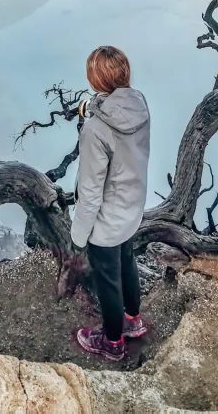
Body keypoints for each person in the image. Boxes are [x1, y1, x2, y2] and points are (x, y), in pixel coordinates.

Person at [72, 45, 151, 362]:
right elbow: (114, 114)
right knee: (127, 262)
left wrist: (78, 235)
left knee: (107, 279)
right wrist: (92, 106)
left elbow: (90, 192)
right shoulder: (139, 105)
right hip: (132, 206)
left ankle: (113, 341)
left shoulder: (95, 131)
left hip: (106, 219)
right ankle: (133, 320)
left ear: (96, 80)